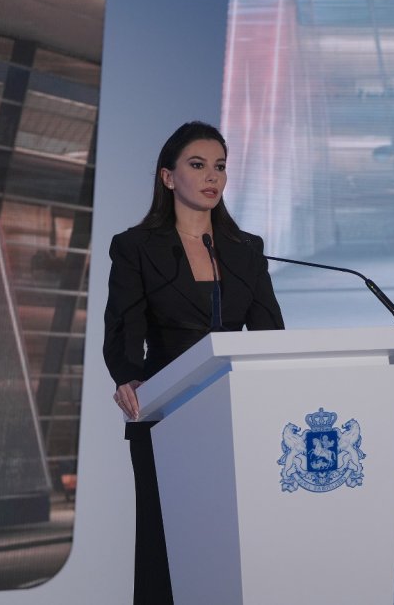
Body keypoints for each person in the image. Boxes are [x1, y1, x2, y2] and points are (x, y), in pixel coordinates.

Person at [103, 121, 284, 604]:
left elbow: (270, 333)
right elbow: (122, 327)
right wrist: (128, 378)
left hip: (236, 414)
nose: (212, 177)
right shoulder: (136, 247)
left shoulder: (246, 250)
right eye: (198, 165)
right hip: (166, 410)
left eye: (220, 167)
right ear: (168, 177)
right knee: (167, 543)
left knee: (234, 546)